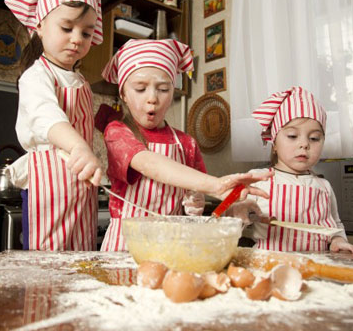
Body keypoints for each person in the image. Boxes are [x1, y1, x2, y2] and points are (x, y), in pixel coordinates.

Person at [99, 39, 273, 251]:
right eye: (140, 88)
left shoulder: (186, 143)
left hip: (174, 244)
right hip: (126, 244)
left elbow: (203, 195)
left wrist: (229, 203)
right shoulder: (118, 132)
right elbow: (149, 163)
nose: (152, 98)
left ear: (173, 92)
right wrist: (217, 185)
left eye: (163, 89)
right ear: (123, 94)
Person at [4, 0, 103, 251]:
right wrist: (79, 147)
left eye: (86, 33)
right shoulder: (36, 76)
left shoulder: (81, 81)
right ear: (39, 26)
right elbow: (47, 115)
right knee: (46, 265)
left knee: (81, 257)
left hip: (81, 186)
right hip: (49, 185)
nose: (76, 39)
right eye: (67, 27)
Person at [237, 86, 353, 255]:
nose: (305, 144)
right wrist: (238, 213)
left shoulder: (324, 187)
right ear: (274, 143)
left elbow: (335, 226)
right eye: (292, 136)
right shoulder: (258, 181)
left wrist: (338, 241)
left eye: (314, 138)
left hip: (317, 268)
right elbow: (231, 225)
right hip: (270, 267)